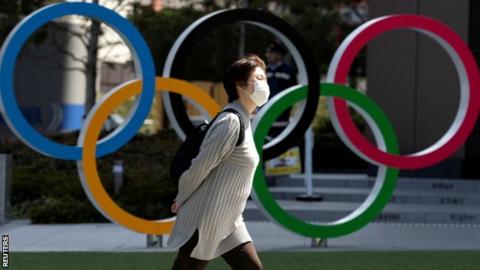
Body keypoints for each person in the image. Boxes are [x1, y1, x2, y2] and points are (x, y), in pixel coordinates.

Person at [167, 54, 267, 270]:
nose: (264, 85)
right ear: (239, 85)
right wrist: (181, 196)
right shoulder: (230, 122)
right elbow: (199, 166)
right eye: (258, 79)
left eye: (264, 79)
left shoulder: (246, 120)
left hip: (229, 219)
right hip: (205, 218)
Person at [263, 40, 298, 186]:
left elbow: (293, 93)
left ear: (280, 55)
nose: (270, 56)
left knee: (280, 145)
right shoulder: (263, 71)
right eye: (269, 53)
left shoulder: (288, 71)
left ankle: (282, 176)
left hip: (281, 116)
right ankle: (267, 179)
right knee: (264, 146)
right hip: (263, 116)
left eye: (273, 53)